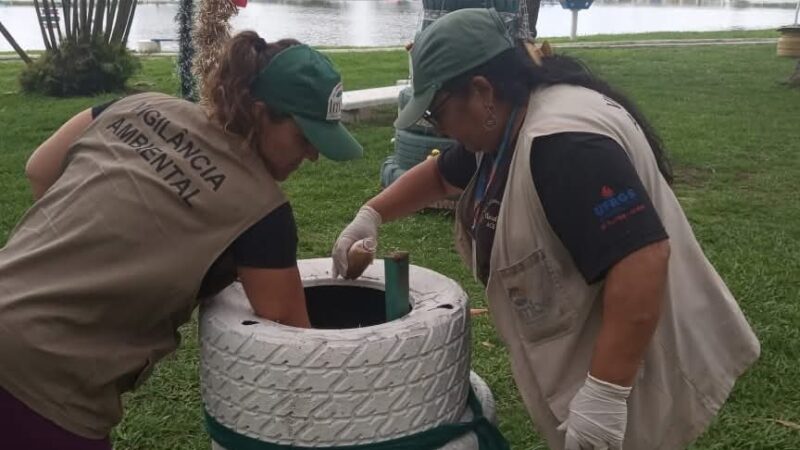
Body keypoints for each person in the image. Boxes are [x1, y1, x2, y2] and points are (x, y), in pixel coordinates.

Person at [331, 9, 760, 450]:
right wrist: (371, 214)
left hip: (640, 359)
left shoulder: (562, 146)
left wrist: (605, 395)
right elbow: (441, 177)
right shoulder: (505, 121)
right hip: (602, 345)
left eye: (437, 115)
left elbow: (642, 259)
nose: (440, 130)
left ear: (482, 92)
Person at [0, 31, 362, 449]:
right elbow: (293, 334)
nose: (313, 155)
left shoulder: (137, 105)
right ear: (261, 113)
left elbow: (40, 169)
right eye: (305, 138)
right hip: (46, 387)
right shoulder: (262, 211)